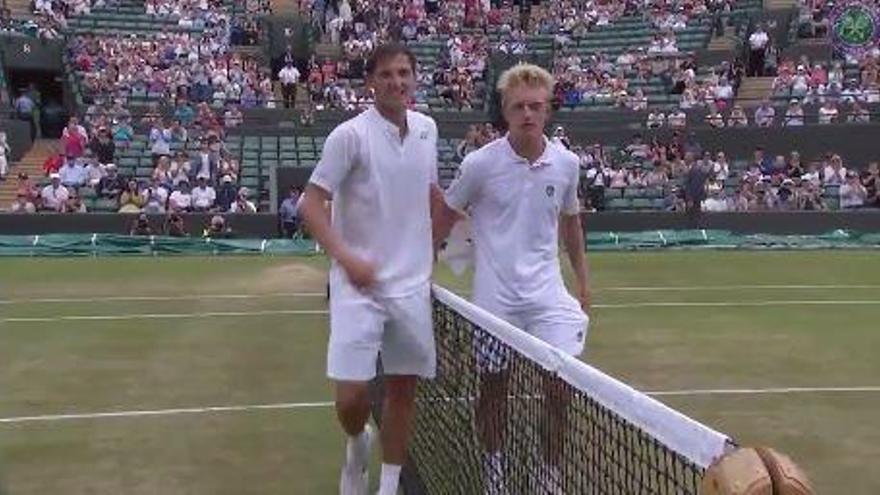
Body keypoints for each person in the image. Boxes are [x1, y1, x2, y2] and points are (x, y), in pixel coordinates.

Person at [432, 63, 591, 492]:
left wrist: (583, 282)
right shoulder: (479, 164)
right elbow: (444, 216)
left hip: (548, 297)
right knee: (492, 390)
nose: (527, 113)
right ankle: (494, 471)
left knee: (561, 390)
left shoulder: (567, 164)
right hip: (495, 299)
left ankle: (548, 476)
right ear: (504, 110)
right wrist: (420, 269)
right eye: (519, 106)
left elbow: (571, 222)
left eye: (536, 106)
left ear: (548, 110)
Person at [297, 43, 440, 495]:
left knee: (403, 390)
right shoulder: (349, 136)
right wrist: (347, 258)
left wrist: (447, 239)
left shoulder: (428, 130)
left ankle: (389, 485)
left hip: (412, 286)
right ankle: (358, 442)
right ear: (371, 83)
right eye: (387, 74)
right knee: (352, 396)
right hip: (356, 286)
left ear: (414, 79)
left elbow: (430, 193)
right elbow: (311, 203)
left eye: (404, 73)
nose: (397, 81)